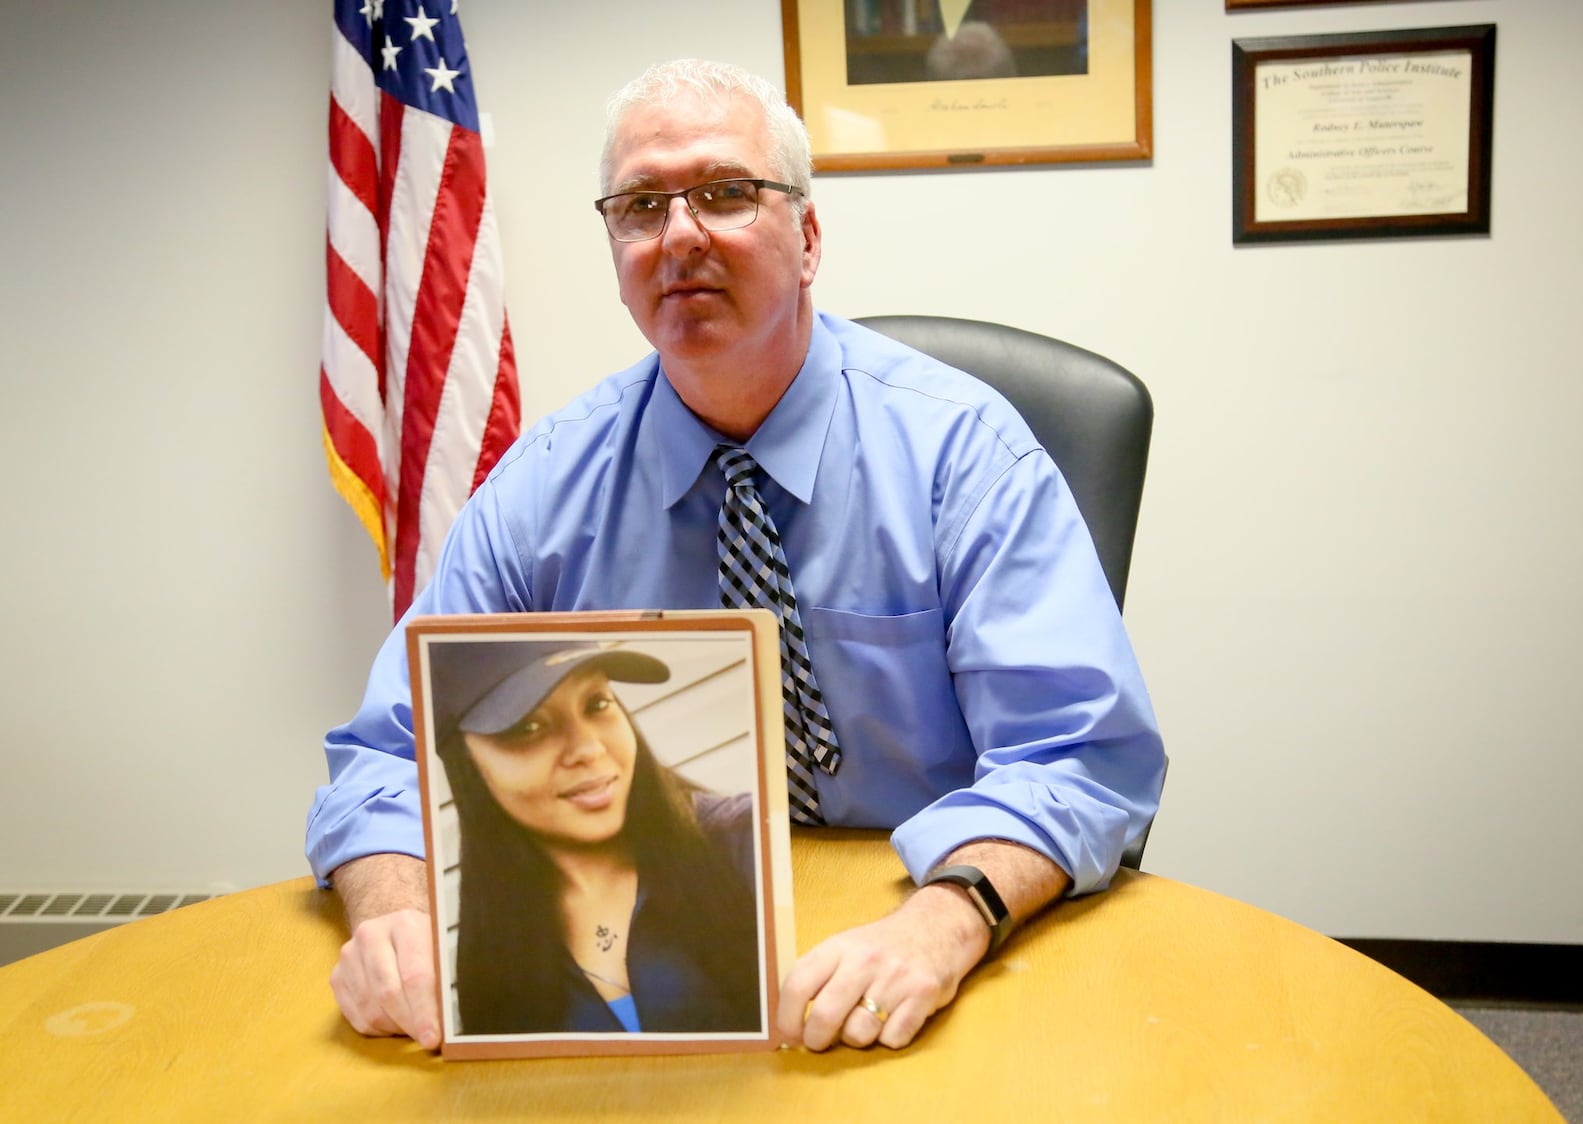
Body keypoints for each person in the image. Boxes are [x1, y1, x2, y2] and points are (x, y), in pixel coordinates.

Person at [311, 57, 1165, 1054]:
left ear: (806, 237)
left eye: (724, 193)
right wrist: (395, 912)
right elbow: (386, 753)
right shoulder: (541, 486)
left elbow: (1077, 750)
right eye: (640, 205)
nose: (678, 236)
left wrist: (945, 920)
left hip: (926, 945)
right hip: (645, 961)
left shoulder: (962, 453)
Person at [429, 640, 759, 1034]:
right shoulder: (493, 952)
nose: (589, 748)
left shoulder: (745, 842)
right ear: (466, 763)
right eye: (528, 727)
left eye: (597, 703)